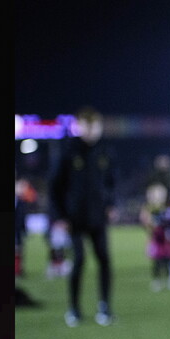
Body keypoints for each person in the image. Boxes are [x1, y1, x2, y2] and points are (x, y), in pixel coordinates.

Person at [48, 107, 118, 326]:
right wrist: (59, 216)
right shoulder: (68, 152)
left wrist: (111, 205)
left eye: (95, 126)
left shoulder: (104, 152)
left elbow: (111, 183)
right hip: (74, 219)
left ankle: (105, 307)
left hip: (98, 218)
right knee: (78, 260)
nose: (91, 131)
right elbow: (54, 187)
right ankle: (74, 309)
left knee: (105, 260)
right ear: (79, 126)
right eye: (87, 126)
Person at [140, 182, 170, 292]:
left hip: (166, 239)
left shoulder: (166, 207)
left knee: (168, 259)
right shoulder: (149, 209)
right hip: (156, 239)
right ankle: (157, 279)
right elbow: (145, 222)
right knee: (157, 260)